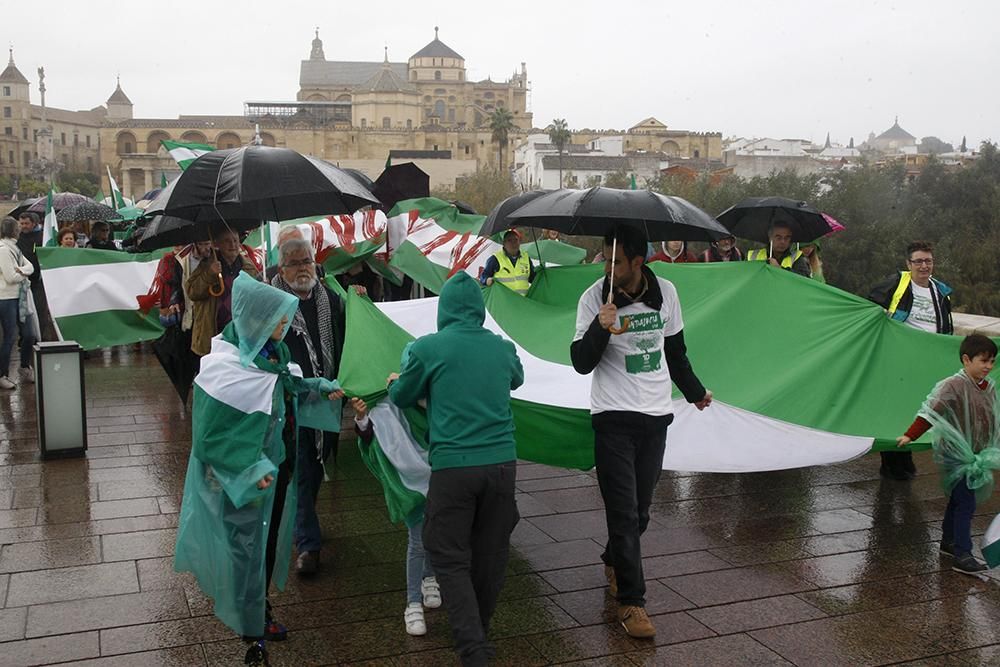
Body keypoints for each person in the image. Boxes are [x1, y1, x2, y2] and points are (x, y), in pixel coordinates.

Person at [173, 273, 342, 666]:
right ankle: (252, 635)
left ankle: (258, 610)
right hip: (244, 477)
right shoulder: (224, 367)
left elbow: (285, 383)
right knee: (245, 550)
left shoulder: (271, 354)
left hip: (275, 466)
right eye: (278, 320)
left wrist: (317, 384)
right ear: (254, 319)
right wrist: (250, 471)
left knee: (263, 547)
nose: (284, 328)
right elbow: (209, 439)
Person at [570, 225, 712, 639]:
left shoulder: (666, 292)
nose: (609, 268)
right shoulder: (593, 298)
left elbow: (675, 351)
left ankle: (614, 558)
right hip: (612, 416)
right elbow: (581, 362)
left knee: (642, 512)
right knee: (623, 512)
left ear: (638, 261)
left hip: (654, 415)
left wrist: (695, 392)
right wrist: (601, 326)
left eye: (617, 261)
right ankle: (632, 602)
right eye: (605, 259)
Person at [387, 271, 523, 667]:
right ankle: (478, 628)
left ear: (443, 309)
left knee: (447, 553)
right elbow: (517, 376)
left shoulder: (429, 349)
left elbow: (402, 393)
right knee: (490, 552)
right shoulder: (501, 347)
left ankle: (473, 649)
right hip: (502, 466)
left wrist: (401, 382)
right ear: (479, 311)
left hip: (453, 468)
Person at [270, 238, 346, 576]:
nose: (303, 268)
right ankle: (308, 545)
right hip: (289, 400)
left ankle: (304, 520)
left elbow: (346, 338)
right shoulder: (271, 302)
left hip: (326, 398)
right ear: (281, 268)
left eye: (307, 261)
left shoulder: (330, 298)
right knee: (301, 466)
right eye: (295, 263)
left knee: (316, 463)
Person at [895, 334, 1000, 576]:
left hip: (976, 453)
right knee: (966, 502)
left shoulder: (989, 387)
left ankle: (948, 542)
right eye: (983, 361)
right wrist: (910, 435)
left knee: (958, 497)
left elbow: (992, 418)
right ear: (966, 359)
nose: (988, 367)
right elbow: (931, 411)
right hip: (956, 453)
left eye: (992, 361)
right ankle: (963, 553)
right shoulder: (953, 385)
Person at [351, 393, 442, 636]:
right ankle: (413, 604)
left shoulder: (418, 386)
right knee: (418, 539)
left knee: (435, 529)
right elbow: (368, 435)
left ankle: (429, 576)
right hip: (406, 477)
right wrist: (361, 416)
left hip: (434, 465)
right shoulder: (377, 400)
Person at [869, 241, 954, 480]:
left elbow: (945, 325)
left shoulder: (940, 291)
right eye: (918, 261)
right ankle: (892, 462)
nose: (924, 266)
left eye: (928, 261)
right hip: (898, 357)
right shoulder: (897, 284)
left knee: (916, 408)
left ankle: (905, 455)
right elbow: (870, 307)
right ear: (909, 264)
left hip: (928, 360)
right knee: (894, 409)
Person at [186, 228, 259, 356]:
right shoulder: (206, 265)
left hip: (241, 334)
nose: (233, 245)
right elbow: (192, 292)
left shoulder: (248, 267)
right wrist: (209, 274)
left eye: (236, 241)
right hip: (213, 334)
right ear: (217, 244)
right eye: (227, 241)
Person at [0, 217, 34, 390]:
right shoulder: (4, 250)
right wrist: (23, 273)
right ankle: (2, 374)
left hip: (20, 297)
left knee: (30, 334)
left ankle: (24, 365)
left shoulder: (15, 248)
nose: (20, 229)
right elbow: (10, 277)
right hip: (6, 298)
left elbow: (30, 267)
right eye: (17, 226)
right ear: (13, 230)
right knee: (10, 337)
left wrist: (21, 271)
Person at [16, 211, 56, 343]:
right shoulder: (18, 238)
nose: (24, 226)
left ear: (34, 223)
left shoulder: (42, 238)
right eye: (21, 223)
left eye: (26, 223)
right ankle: (25, 337)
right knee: (23, 311)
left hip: (38, 280)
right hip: (22, 281)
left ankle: (40, 337)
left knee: (39, 310)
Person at [480, 228, 536, 295]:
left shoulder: (526, 258)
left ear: (519, 242)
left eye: (516, 240)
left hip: (522, 302)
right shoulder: (495, 259)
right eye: (510, 240)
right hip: (504, 302)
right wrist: (487, 280)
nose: (513, 243)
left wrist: (541, 274)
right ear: (504, 243)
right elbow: (483, 276)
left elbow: (533, 278)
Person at [746, 223, 810, 276]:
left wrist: (779, 269)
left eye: (787, 238)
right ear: (770, 237)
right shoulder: (752, 256)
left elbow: (804, 280)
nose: (783, 241)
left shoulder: (797, 257)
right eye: (778, 237)